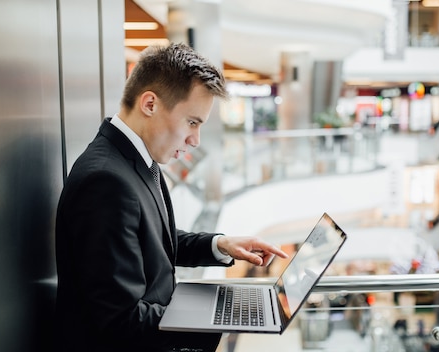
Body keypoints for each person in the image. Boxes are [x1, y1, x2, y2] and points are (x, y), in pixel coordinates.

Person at [54, 43, 288, 352]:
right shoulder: (105, 180)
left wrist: (219, 245)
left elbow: (147, 240)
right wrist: (218, 319)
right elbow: (119, 321)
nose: (195, 139)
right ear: (149, 104)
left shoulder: (135, 160)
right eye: (192, 121)